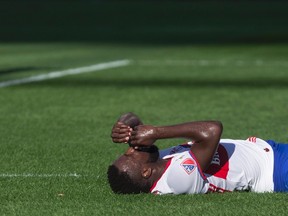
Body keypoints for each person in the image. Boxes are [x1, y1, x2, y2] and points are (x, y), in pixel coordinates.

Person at [107, 112, 288, 195]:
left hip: (269, 151)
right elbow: (212, 130)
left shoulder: (154, 163)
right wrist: (156, 132)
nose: (131, 149)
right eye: (130, 155)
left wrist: (123, 125)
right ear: (146, 172)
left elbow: (132, 117)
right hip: (275, 172)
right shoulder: (176, 179)